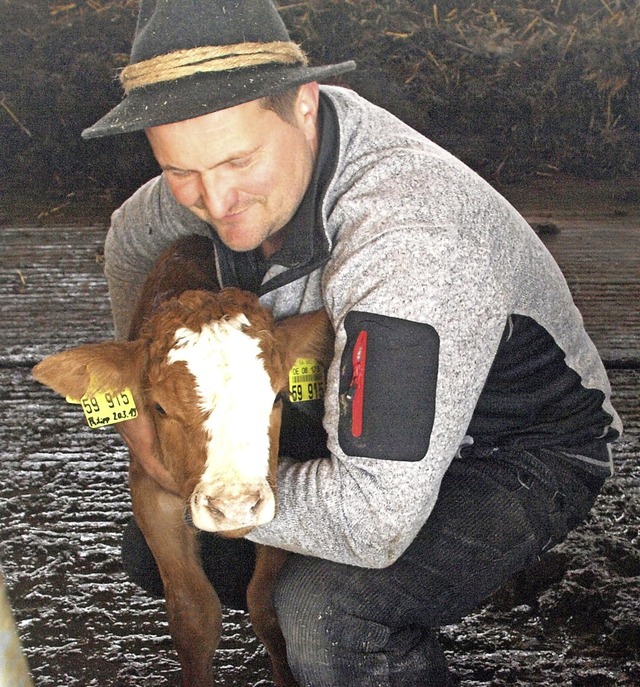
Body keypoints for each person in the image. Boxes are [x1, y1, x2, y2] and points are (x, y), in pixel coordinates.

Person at [82, 1, 622, 685]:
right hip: (363, 424)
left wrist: (195, 475)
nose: (215, 202)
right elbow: (132, 235)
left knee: (323, 610)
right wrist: (144, 391)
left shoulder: (409, 242)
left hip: (510, 448)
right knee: (152, 549)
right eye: (180, 171)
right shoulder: (222, 171)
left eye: (237, 161)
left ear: (304, 104)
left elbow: (373, 521)